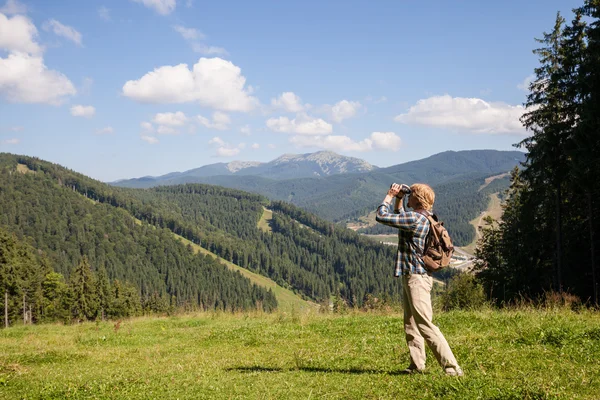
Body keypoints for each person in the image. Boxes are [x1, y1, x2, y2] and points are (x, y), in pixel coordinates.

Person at [375, 183, 463, 377]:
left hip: (416, 279)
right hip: (414, 276)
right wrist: (399, 199)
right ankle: (417, 365)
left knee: (424, 324)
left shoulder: (415, 218)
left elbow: (382, 216)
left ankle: (452, 368)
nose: (408, 197)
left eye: (411, 195)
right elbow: (401, 216)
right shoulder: (424, 217)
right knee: (411, 323)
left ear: (417, 199)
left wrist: (389, 196)